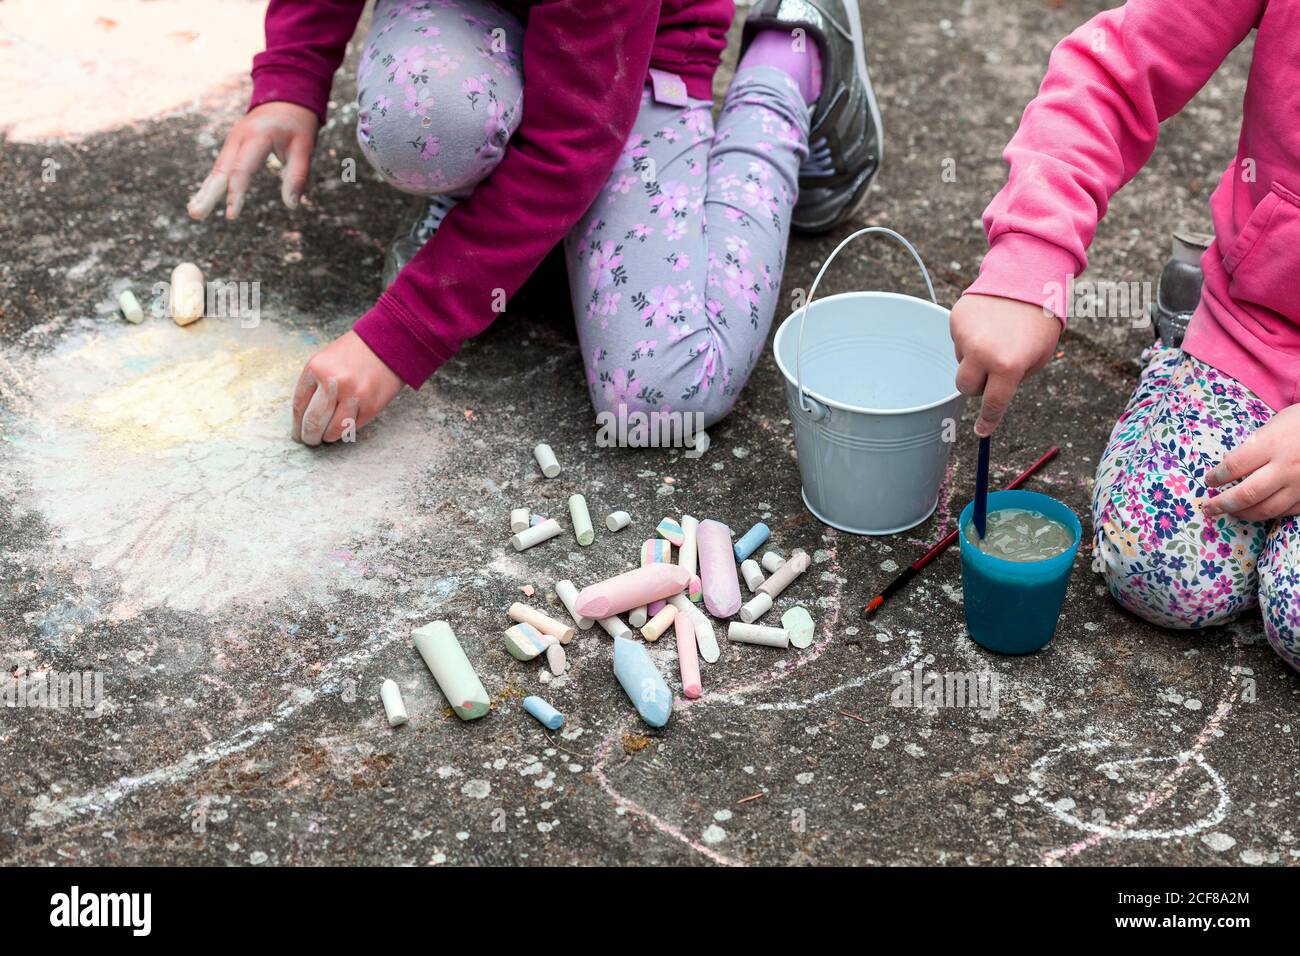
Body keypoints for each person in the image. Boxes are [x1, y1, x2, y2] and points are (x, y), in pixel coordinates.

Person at [187, 0, 882, 444]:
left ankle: (787, 61)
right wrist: (291, 78)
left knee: (662, 396)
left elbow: (570, 144)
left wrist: (400, 338)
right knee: (425, 122)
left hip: (628, 60)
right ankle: (498, 200)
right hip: (476, 16)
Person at [948, 0, 1299, 671]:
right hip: (1256, 327)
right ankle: (1185, 343)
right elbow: (1115, 70)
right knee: (1160, 568)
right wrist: (1031, 258)